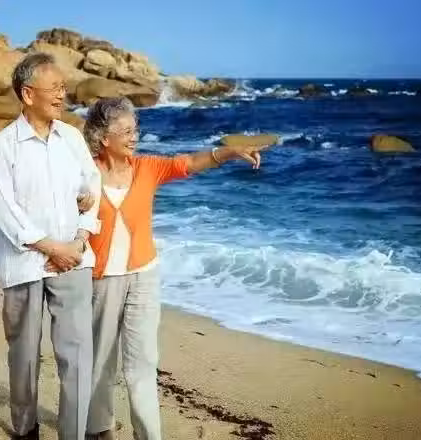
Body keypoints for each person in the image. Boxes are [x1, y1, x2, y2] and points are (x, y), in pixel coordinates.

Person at [55, 97, 273, 440]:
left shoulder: (147, 167)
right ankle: (100, 427)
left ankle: (148, 435)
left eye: (135, 129)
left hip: (144, 275)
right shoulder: (85, 174)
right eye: (126, 131)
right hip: (101, 280)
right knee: (100, 361)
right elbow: (57, 209)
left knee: (142, 362)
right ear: (103, 138)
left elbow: (189, 163)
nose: (134, 137)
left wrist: (230, 152)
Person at [0, 53, 101, 440]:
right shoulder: (3, 146)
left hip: (74, 259)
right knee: (23, 357)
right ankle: (25, 428)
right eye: (55, 88)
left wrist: (79, 241)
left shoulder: (72, 137)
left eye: (64, 88)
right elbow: (5, 211)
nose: (62, 95)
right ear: (28, 94)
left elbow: (93, 188)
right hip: (24, 264)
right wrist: (53, 248)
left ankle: (73, 433)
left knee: (78, 356)